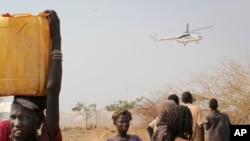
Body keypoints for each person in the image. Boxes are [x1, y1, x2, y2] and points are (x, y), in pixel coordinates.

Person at [0, 10, 62, 141]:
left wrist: (56, 38)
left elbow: (52, 90)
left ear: (39, 121)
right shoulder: (4, 131)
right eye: (13, 117)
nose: (17, 124)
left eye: (24, 118)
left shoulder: (46, 138)